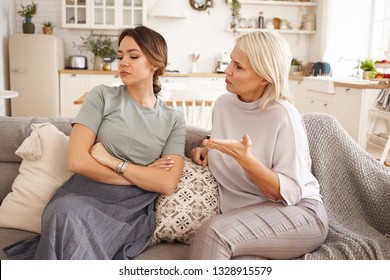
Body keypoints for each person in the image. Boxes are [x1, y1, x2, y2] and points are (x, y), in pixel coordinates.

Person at [6, 26, 186, 260]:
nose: (123, 63)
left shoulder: (174, 120)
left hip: (131, 209)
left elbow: (167, 183)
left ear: (155, 63)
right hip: (82, 193)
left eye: (133, 56)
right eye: (120, 56)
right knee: (65, 215)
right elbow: (77, 161)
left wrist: (112, 161)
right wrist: (141, 176)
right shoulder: (102, 96)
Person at [189, 31, 328, 260]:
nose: (227, 70)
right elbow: (225, 143)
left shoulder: (283, 115)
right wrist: (209, 150)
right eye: (230, 61)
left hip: (298, 213)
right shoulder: (223, 105)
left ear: (265, 77)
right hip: (247, 212)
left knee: (213, 233)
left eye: (238, 66)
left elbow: (291, 193)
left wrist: (246, 160)